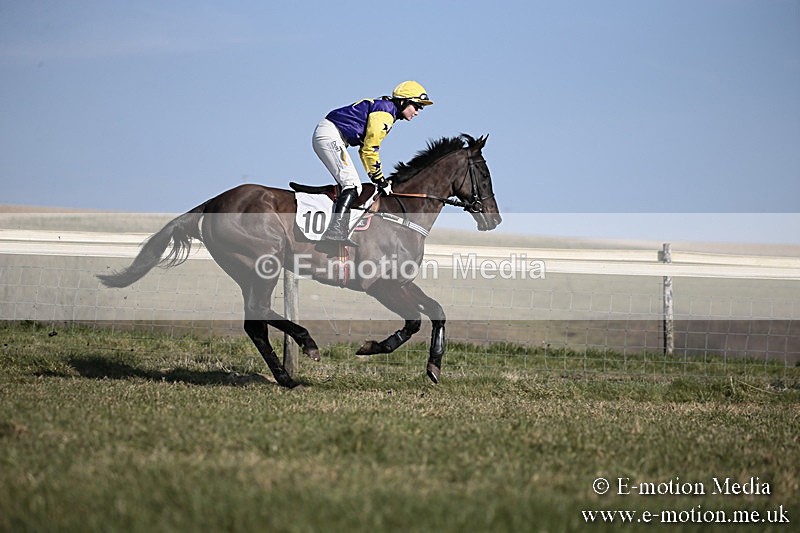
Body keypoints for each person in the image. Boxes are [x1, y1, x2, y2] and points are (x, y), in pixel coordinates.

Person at [312, 80, 433, 246]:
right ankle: (335, 230)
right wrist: (380, 180)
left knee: (352, 184)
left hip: (332, 135)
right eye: (417, 106)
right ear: (403, 101)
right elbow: (370, 150)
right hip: (330, 135)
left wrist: (377, 178)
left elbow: (364, 151)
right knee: (352, 184)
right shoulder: (385, 113)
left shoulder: (386, 109)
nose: (418, 112)